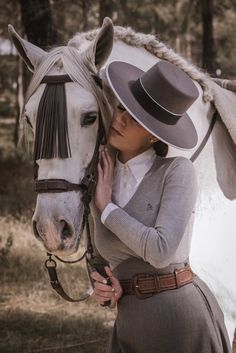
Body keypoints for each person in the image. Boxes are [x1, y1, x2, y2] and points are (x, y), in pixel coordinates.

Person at [90, 60, 232, 353]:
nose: (120, 120)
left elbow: (160, 250)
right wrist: (102, 285)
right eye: (120, 108)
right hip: (130, 326)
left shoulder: (177, 172)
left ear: (155, 133)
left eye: (135, 117)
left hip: (182, 323)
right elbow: (99, 255)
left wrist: (107, 208)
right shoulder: (102, 175)